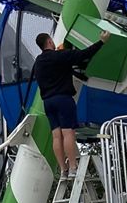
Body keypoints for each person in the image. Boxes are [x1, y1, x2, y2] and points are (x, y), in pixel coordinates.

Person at [32, 30, 108, 178]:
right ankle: (73, 167)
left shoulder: (38, 62)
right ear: (49, 42)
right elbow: (83, 55)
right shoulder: (60, 56)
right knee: (68, 133)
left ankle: (63, 169)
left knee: (56, 136)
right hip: (63, 99)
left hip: (48, 102)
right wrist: (102, 42)